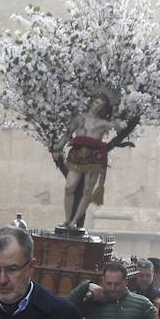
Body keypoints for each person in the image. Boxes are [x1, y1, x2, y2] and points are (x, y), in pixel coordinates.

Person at [59, 91, 116, 230]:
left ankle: (74, 222)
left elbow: (121, 126)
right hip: (77, 155)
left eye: (101, 106)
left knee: (87, 191)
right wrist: (57, 148)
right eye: (96, 102)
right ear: (91, 101)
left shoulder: (104, 123)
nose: (97, 107)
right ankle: (67, 220)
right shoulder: (79, 118)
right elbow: (67, 134)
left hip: (95, 157)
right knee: (69, 187)